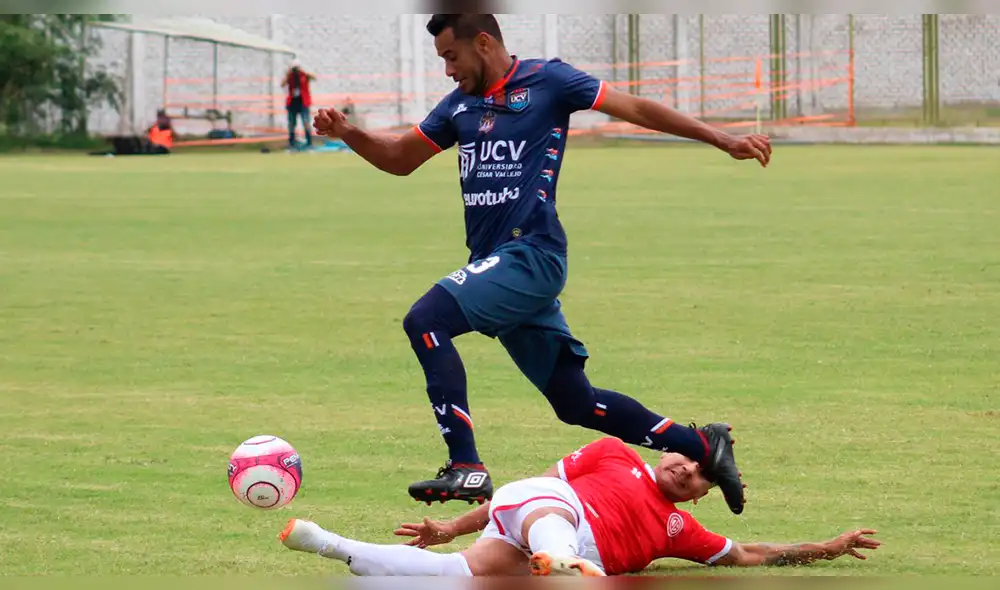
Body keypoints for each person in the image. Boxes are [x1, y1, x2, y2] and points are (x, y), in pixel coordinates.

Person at [312, 14, 773, 514]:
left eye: (451, 56)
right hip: (497, 263)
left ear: (483, 42)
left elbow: (635, 106)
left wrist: (720, 138)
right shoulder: (460, 105)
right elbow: (400, 158)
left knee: (426, 321)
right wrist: (348, 133)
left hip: (531, 254)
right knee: (576, 404)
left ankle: (466, 464)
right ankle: (704, 445)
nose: (447, 70)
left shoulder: (549, 81)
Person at [279, 436, 881, 577]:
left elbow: (748, 552)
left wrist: (824, 547)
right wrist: (452, 524)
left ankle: (330, 545)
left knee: (452, 577)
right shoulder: (614, 453)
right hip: (553, 520)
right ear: (671, 448)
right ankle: (561, 562)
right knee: (540, 504)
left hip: (565, 557)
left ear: (701, 497)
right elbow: (522, 497)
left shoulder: (681, 528)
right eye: (689, 459)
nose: (688, 471)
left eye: (700, 479)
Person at [282, 59, 316, 150]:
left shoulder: (304, 75)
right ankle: (291, 143)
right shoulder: (290, 76)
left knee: (306, 122)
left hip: (303, 102)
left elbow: (314, 77)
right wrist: (288, 74)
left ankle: (309, 143)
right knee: (292, 124)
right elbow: (282, 84)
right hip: (293, 103)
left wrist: (304, 72)